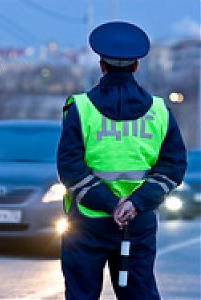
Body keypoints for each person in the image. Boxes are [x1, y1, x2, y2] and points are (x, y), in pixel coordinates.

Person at [57, 21, 187, 300]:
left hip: (86, 224)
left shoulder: (80, 108)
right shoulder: (160, 112)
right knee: (139, 295)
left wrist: (109, 204)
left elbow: (70, 167)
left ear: (101, 65)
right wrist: (134, 204)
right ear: (136, 67)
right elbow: (172, 167)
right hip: (137, 225)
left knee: (81, 295)